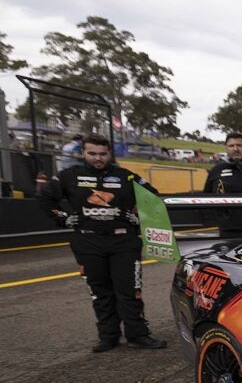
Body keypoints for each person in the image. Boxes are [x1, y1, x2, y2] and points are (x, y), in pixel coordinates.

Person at [38, 134, 167, 351]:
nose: (98, 158)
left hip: (123, 242)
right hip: (88, 242)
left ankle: (138, 335)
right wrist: (63, 218)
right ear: (83, 153)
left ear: (109, 153)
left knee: (130, 291)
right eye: (92, 153)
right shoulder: (68, 176)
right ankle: (108, 336)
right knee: (100, 292)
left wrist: (138, 217)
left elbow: (153, 196)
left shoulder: (126, 176)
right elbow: (44, 198)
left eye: (103, 154)